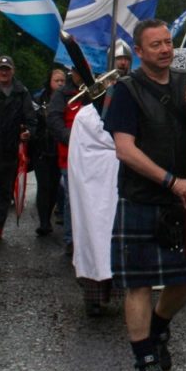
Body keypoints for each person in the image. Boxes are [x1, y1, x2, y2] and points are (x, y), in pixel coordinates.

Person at [103, 18, 186, 371]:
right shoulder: (126, 91)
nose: (166, 49)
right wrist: (170, 180)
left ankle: (158, 326)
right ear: (139, 51)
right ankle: (146, 361)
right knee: (138, 284)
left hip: (180, 201)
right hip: (141, 198)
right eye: (156, 44)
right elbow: (124, 149)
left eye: (168, 42)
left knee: (185, 279)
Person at [67, 98, 122, 317]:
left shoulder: (121, 110)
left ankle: (111, 291)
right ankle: (93, 297)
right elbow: (78, 155)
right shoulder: (85, 116)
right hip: (90, 188)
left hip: (114, 183)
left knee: (111, 239)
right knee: (93, 239)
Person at [0, 55, 36, 241]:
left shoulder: (21, 92)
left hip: (11, 148)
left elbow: (31, 119)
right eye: (1, 69)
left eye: (7, 69)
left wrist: (28, 132)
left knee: (4, 189)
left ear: (13, 70)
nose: (4, 72)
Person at [48, 67, 84, 256]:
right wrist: (71, 137)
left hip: (93, 155)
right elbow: (54, 119)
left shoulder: (96, 90)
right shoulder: (62, 94)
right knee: (72, 197)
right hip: (69, 154)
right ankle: (72, 239)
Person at [34, 66, 67, 236]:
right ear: (50, 82)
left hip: (59, 148)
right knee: (44, 185)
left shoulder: (69, 98)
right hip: (41, 148)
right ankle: (44, 222)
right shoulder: (39, 99)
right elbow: (32, 120)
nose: (60, 84)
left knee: (55, 186)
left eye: (62, 81)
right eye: (57, 81)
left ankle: (49, 216)